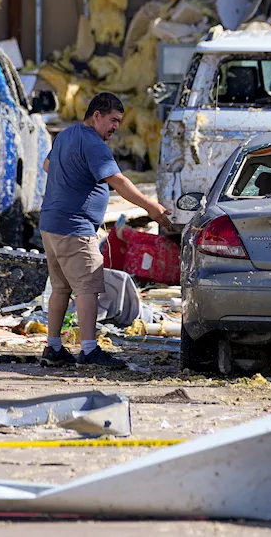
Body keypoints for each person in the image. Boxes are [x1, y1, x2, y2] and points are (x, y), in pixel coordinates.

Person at [38, 92, 172, 368]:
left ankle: (53, 348)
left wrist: (72, 179)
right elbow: (119, 182)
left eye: (119, 122)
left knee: (61, 288)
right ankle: (88, 351)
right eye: (113, 120)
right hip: (75, 227)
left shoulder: (66, 135)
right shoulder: (93, 143)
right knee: (88, 288)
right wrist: (152, 208)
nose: (115, 127)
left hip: (51, 224)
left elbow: (47, 165)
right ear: (96, 115)